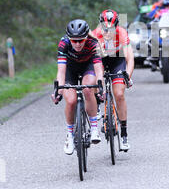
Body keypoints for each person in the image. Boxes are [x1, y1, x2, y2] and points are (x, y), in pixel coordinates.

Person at [51, 19, 104, 155]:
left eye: (81, 40)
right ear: (69, 39)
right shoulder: (64, 44)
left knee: (87, 88)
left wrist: (100, 87)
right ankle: (70, 135)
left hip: (88, 67)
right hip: (70, 70)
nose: (78, 44)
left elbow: (98, 70)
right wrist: (58, 91)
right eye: (74, 41)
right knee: (71, 100)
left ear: (86, 37)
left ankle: (93, 128)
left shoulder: (93, 43)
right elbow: (61, 71)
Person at [92, 9, 134, 151]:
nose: (107, 31)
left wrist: (127, 75)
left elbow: (130, 58)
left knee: (119, 94)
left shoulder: (122, 33)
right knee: (96, 79)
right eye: (105, 27)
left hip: (117, 60)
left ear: (116, 26)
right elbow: (93, 62)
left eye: (111, 28)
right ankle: (97, 103)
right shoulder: (95, 34)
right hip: (102, 60)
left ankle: (124, 134)